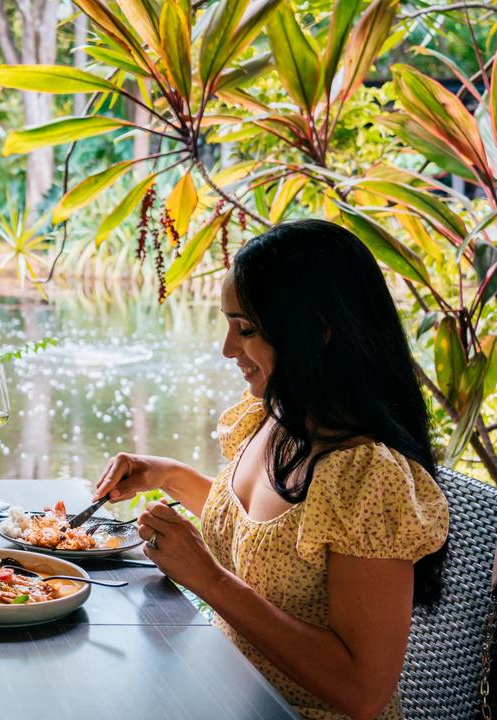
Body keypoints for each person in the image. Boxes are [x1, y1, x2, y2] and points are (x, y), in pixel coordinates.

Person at [95, 219, 449, 720]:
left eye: (247, 329)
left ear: (320, 331)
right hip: (225, 693)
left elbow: (363, 692)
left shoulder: (366, 475)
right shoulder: (278, 417)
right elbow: (268, 536)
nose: (227, 348)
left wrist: (210, 581)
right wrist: (166, 474)